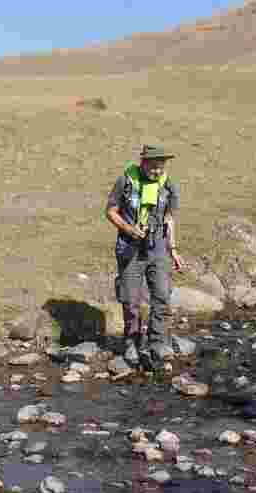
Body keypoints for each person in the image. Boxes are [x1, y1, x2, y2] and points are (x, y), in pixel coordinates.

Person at [105, 145, 184, 369]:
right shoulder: (125, 182)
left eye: (161, 167)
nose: (157, 171)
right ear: (143, 162)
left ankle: (158, 342)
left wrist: (174, 250)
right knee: (130, 299)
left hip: (157, 247)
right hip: (130, 247)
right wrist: (128, 229)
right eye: (153, 166)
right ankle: (132, 341)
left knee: (161, 295)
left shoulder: (169, 186)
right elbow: (110, 210)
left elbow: (169, 220)